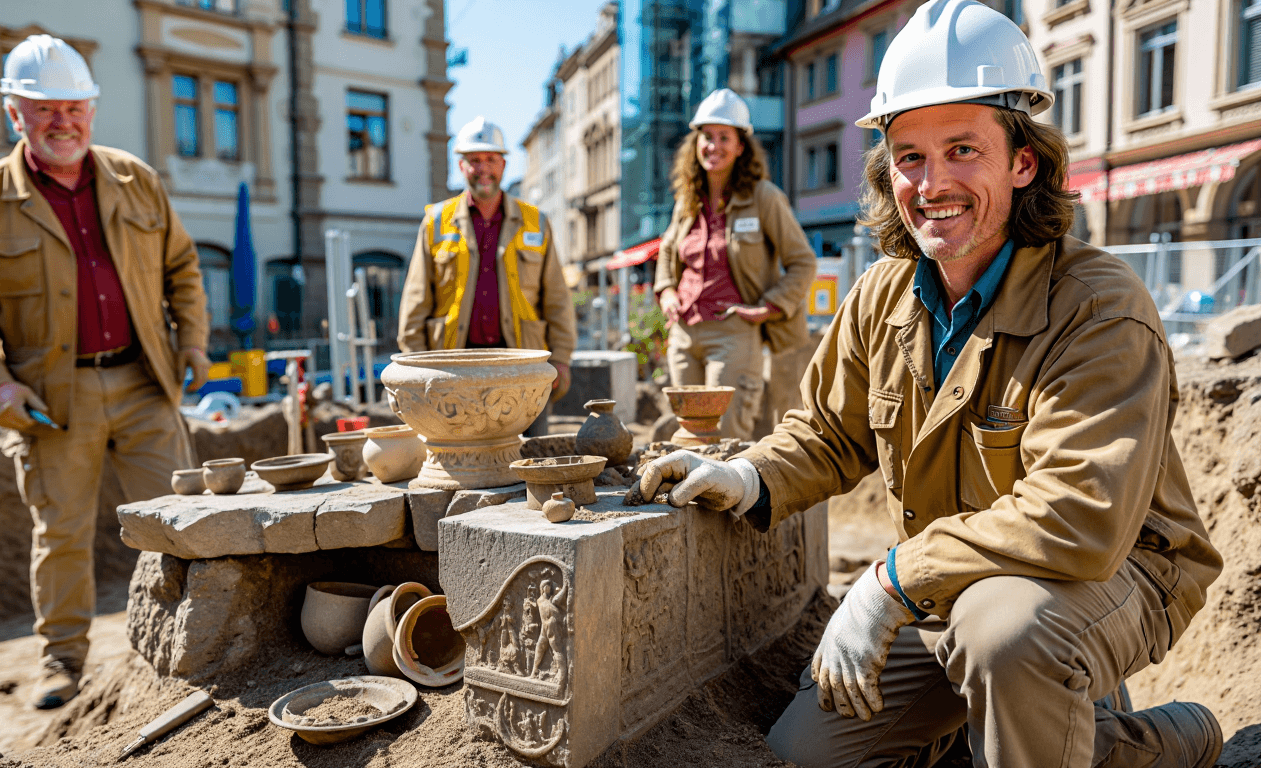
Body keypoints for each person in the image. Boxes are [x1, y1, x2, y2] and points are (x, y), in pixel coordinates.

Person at [636, 2, 1225, 765]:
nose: (931, 182)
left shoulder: (1099, 306)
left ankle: (1163, 733)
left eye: (962, 150)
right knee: (810, 755)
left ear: (1024, 163)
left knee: (1007, 638)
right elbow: (828, 432)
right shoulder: (883, 294)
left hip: (1109, 573)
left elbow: (1077, 515)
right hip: (950, 584)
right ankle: (1061, 732)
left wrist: (888, 583)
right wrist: (747, 474)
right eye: (909, 156)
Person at [0, 35, 209, 710]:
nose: (63, 122)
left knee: (180, 519)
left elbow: (182, 269)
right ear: (14, 113)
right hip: (51, 398)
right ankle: (62, 661)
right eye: (45, 108)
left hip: (144, 380)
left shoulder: (136, 179)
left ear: (91, 110)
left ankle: (200, 641)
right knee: (60, 535)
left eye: (74, 108)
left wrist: (193, 344)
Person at [654, 89, 817, 442]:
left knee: (725, 437)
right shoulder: (687, 200)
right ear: (696, 144)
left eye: (724, 137)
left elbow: (803, 261)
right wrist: (666, 291)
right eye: (707, 136)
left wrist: (768, 307)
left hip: (733, 333)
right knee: (689, 437)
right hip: (683, 332)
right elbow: (667, 251)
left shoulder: (764, 198)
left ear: (741, 146)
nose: (714, 146)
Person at [398, 116, 576, 436]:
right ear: (461, 166)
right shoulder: (436, 222)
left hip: (524, 369)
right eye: (475, 160)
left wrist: (561, 359)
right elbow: (416, 300)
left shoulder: (535, 222)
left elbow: (557, 298)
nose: (483, 169)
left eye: (491, 159)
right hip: (453, 371)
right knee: (459, 456)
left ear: (504, 165)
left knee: (531, 457)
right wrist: (415, 367)